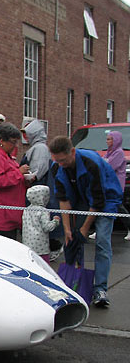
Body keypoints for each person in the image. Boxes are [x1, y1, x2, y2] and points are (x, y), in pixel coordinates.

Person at [49, 135, 122, 307]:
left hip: (106, 200)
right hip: (81, 199)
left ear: (72, 152)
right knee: (73, 240)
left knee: (102, 242)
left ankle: (100, 289)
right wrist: (67, 229)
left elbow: (97, 201)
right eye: (57, 160)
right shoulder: (56, 167)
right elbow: (64, 200)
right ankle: (76, 283)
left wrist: (84, 229)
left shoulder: (92, 163)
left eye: (63, 160)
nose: (61, 164)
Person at [97, 130, 130, 240]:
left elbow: (109, 166)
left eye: (109, 139)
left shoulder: (119, 152)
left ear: (116, 140)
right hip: (107, 184)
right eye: (107, 139)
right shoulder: (109, 152)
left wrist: (102, 163)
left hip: (116, 185)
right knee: (103, 206)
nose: (107, 141)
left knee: (118, 207)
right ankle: (100, 230)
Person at [22, 185, 61, 262]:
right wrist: (55, 221)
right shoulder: (43, 211)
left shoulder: (26, 209)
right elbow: (47, 227)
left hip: (27, 244)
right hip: (41, 246)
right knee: (43, 265)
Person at [20, 119, 50, 185]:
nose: (26, 137)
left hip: (37, 188)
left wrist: (31, 177)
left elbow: (37, 172)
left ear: (33, 134)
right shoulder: (38, 147)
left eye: (27, 134)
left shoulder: (40, 148)